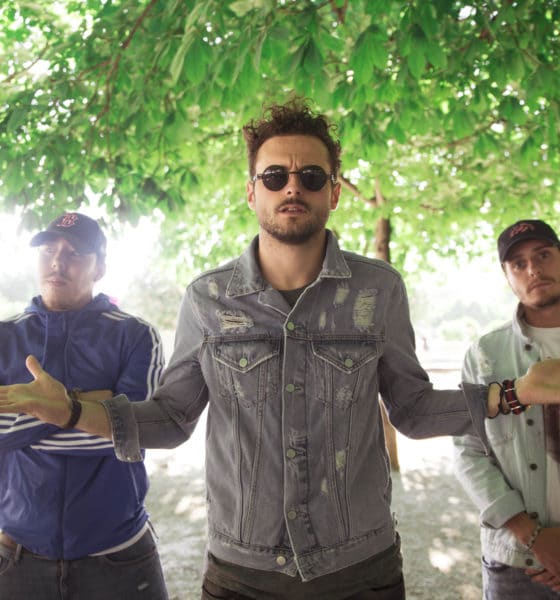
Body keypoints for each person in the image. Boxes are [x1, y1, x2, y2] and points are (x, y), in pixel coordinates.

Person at [1, 102, 560, 600]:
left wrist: (513, 393)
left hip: (360, 570)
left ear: (333, 192)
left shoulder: (379, 290)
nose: (293, 188)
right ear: (252, 192)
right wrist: (71, 411)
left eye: (311, 176)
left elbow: (413, 411)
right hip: (241, 574)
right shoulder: (206, 298)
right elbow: (170, 420)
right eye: (274, 176)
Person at [0, 212, 168, 599]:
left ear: (100, 267)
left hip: (120, 556)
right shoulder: (5, 336)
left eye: (74, 252)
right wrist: (92, 405)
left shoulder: (135, 335)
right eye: (48, 250)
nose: (58, 262)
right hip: (18, 558)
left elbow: (133, 434)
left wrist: (34, 409)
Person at [454, 219, 560, 599]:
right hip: (517, 562)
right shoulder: (484, 355)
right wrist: (534, 537)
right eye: (518, 263)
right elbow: (468, 453)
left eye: (543, 255)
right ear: (506, 275)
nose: (533, 269)